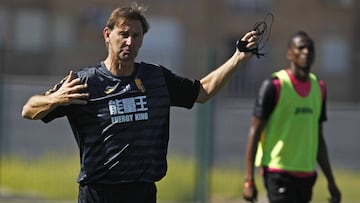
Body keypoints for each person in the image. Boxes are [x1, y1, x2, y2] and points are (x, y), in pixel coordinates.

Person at [22, 4, 259, 203]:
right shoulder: (85, 81)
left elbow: (203, 91)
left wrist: (238, 58)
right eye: (123, 34)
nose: (129, 42)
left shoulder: (155, 78)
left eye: (136, 36)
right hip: (99, 192)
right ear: (107, 35)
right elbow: (29, 110)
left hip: (142, 191)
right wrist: (56, 98)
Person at [242, 31, 341, 203]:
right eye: (300, 47)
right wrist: (249, 180)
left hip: (306, 174)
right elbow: (254, 132)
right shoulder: (274, 86)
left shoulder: (319, 88)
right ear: (289, 53)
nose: (306, 52)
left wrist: (331, 181)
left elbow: (318, 137)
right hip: (278, 171)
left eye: (310, 48)